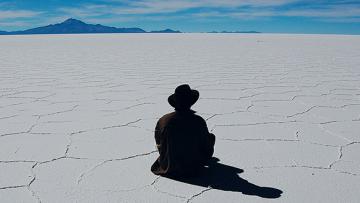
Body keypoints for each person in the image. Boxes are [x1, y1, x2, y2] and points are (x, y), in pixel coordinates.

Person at [151, 84, 216, 177]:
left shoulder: (164, 120)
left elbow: (159, 143)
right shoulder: (198, 121)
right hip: (193, 168)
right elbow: (205, 143)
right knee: (211, 137)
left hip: (168, 167)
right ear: (191, 102)